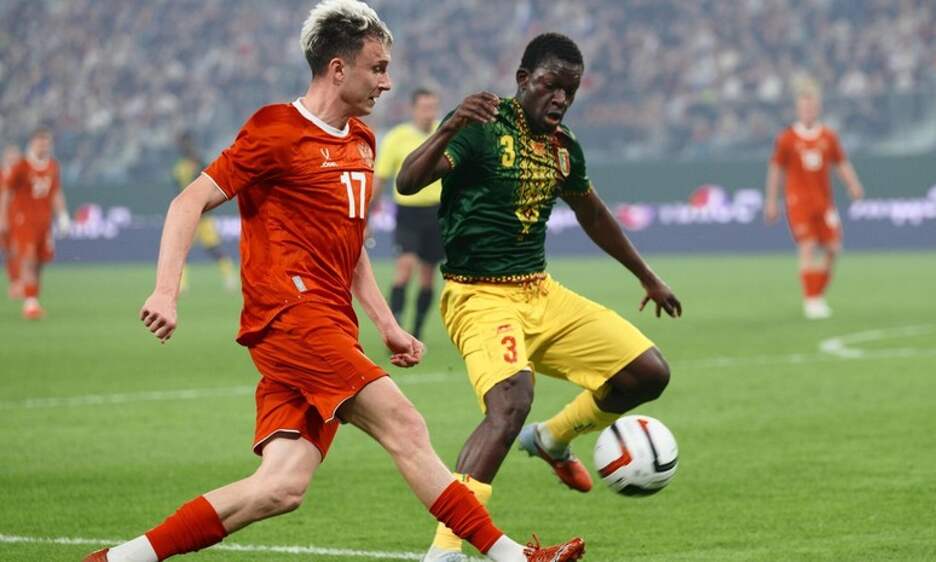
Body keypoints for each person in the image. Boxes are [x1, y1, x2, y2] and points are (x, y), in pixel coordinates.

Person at [83, 3, 583, 562]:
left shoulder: (362, 141)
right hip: (290, 318)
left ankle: (116, 559)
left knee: (279, 488)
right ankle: (512, 556)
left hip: (329, 326)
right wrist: (165, 290)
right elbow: (188, 201)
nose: (387, 82)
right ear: (339, 68)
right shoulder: (275, 130)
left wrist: (386, 324)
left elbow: (351, 247)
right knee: (404, 423)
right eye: (378, 68)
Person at [395, 33, 682, 562]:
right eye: (551, 86)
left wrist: (646, 276)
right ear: (523, 79)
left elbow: (591, 212)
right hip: (479, 296)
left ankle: (551, 438)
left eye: (570, 91)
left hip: (541, 292)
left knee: (648, 373)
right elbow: (409, 182)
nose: (560, 99)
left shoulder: (563, 146)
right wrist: (451, 125)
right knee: (509, 404)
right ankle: (444, 550)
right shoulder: (481, 125)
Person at [765, 77, 864, 320]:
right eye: (804, 106)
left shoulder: (828, 136)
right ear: (798, 109)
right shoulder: (787, 138)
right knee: (807, 245)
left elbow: (840, 163)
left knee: (833, 248)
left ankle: (818, 295)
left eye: (812, 106)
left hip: (824, 202)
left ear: (818, 108)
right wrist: (771, 201)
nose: (808, 110)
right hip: (798, 202)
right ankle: (811, 300)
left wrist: (853, 184)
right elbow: (776, 170)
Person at [373, 88, 445, 340]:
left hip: (437, 212)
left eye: (432, 107)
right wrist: (367, 215)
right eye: (424, 107)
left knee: (428, 277)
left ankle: (417, 330)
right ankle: (396, 327)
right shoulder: (397, 138)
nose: (429, 113)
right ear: (413, 109)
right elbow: (380, 178)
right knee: (405, 268)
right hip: (408, 213)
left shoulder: (445, 133)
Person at [0, 129, 70, 319]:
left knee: (40, 262)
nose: (43, 147)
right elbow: (6, 191)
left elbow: (56, 192)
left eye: (46, 143)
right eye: (40, 143)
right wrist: (3, 218)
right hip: (24, 221)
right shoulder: (22, 165)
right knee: (28, 259)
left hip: (44, 222)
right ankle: (29, 302)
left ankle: (32, 297)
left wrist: (62, 216)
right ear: (32, 143)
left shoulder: (52, 166)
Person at [171, 131, 237, 291]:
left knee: (212, 248)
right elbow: (178, 192)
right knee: (183, 250)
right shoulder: (180, 168)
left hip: (203, 215)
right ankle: (181, 283)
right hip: (189, 215)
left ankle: (229, 275)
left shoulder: (198, 164)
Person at [1, 143, 23, 297]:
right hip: (4, 218)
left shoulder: (23, 177)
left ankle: (19, 283)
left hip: (19, 218)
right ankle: (14, 281)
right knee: (8, 252)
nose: (13, 158)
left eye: (15, 156)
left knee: (18, 250)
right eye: (10, 155)